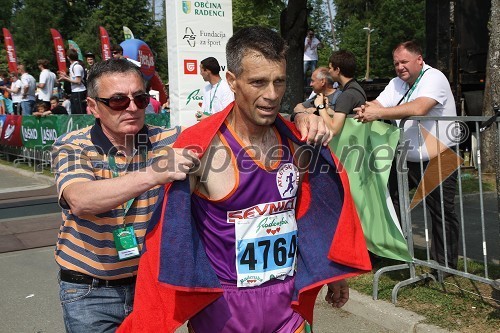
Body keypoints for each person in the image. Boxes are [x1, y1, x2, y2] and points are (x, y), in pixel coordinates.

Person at [119, 26, 370, 333]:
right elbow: (170, 239)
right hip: (223, 314)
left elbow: (313, 211)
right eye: (258, 82)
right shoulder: (203, 148)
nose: (272, 95)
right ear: (232, 82)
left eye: (279, 81)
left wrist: (333, 271)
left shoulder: (296, 141)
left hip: (286, 310)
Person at [52, 58, 331, 333]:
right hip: (92, 290)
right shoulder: (72, 146)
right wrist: (153, 174)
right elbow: (80, 199)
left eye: (139, 98)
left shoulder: (171, 139)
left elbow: (234, 125)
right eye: (118, 101)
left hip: (154, 285)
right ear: (93, 107)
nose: (133, 107)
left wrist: (298, 117)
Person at [354, 41, 459, 271]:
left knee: (441, 211)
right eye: (396, 63)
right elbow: (378, 103)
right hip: (408, 157)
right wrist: (365, 109)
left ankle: (445, 265)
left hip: (440, 156)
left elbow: (420, 107)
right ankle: (394, 250)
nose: (399, 67)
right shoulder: (396, 83)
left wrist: (378, 113)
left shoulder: (434, 77)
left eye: (404, 62)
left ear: (419, 60)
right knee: (386, 200)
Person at [292, 67, 341, 131]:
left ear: (323, 82)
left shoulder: (341, 97)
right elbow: (297, 108)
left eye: (312, 81)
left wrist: (316, 110)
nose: (310, 84)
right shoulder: (317, 97)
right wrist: (306, 111)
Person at [195, 56, 234, 121]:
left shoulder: (226, 88)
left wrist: (207, 117)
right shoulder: (206, 89)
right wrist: (201, 114)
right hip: (207, 128)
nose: (200, 73)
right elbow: (205, 112)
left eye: (201, 70)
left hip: (220, 129)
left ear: (207, 71)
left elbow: (228, 115)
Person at [58, 49, 87, 114]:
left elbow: (78, 81)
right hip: (74, 91)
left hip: (79, 91)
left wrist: (65, 78)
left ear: (68, 57)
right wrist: (66, 76)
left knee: (80, 113)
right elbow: (74, 79)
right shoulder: (72, 66)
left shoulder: (77, 66)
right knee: (74, 113)